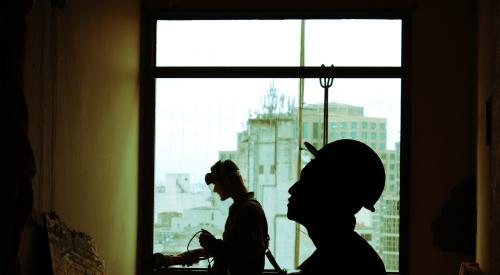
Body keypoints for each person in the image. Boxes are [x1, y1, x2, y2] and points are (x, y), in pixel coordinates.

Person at [287, 139, 387, 275]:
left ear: (333, 196)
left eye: (308, 183)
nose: (292, 189)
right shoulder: (347, 255)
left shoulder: (345, 263)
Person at [154, 160, 269, 275]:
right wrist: (178, 259)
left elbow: (249, 254)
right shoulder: (243, 208)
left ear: (227, 181)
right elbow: (233, 249)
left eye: (215, 183)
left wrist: (214, 245)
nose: (214, 189)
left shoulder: (248, 210)